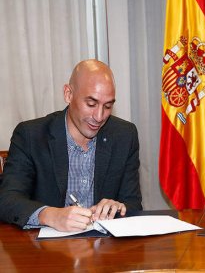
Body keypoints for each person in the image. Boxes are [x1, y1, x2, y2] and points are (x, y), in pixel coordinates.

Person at [0, 59, 142, 231]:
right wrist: (50, 215)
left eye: (108, 106)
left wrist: (117, 208)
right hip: (44, 252)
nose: (99, 116)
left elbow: (133, 205)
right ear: (68, 94)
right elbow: (7, 199)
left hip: (104, 251)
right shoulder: (31, 135)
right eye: (91, 104)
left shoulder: (124, 136)